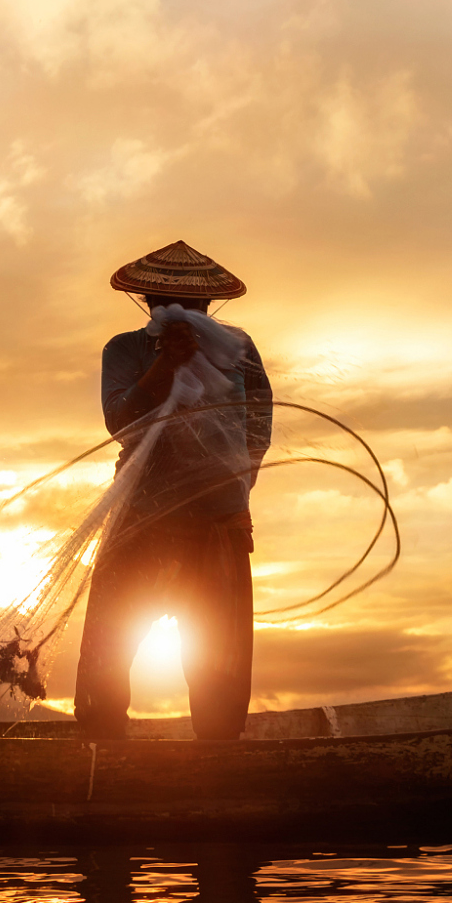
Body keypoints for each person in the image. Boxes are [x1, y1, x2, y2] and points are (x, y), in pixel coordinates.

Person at [75, 241, 273, 741]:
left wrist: (236, 491)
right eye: (167, 305)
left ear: (208, 306)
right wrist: (165, 365)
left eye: (193, 305)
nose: (181, 313)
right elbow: (121, 423)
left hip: (217, 517)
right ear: (149, 305)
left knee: (220, 657)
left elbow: (258, 428)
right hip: (139, 514)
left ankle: (218, 758)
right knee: (109, 644)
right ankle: (99, 748)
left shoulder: (238, 349)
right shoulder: (124, 350)